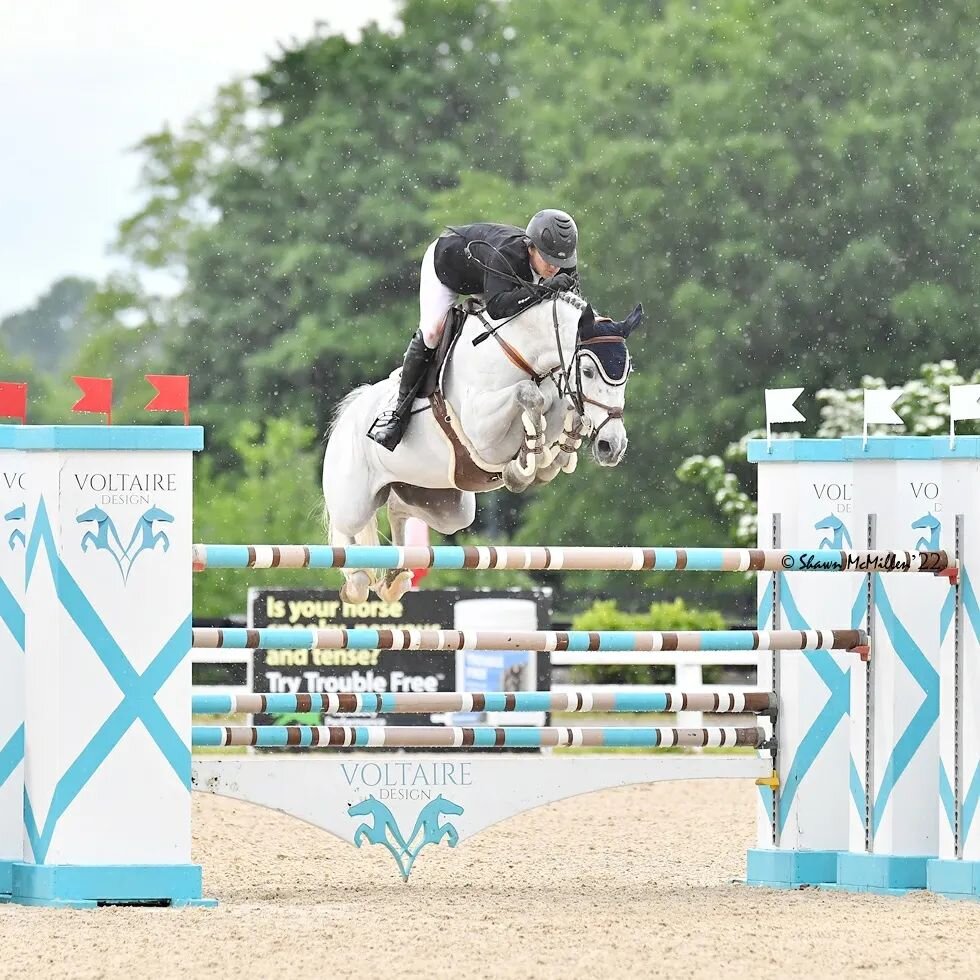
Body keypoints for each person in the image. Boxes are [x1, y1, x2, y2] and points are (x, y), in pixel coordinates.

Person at [367, 209, 580, 451]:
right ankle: (397, 414)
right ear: (530, 247)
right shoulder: (506, 255)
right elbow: (498, 308)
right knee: (432, 332)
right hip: (449, 269)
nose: (554, 268)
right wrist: (544, 289)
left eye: (560, 262)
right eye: (548, 259)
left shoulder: (560, 262)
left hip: (490, 279)